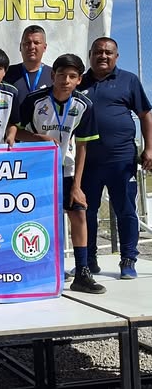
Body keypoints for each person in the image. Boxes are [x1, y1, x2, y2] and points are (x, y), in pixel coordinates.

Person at [16, 54, 106, 294]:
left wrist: (77, 185)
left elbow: (83, 145)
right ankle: (37, 268)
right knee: (37, 218)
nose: (66, 80)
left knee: (79, 213)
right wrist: (38, 138)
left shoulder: (84, 105)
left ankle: (82, 272)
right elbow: (15, 132)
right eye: (62, 75)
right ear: (53, 75)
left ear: (79, 80)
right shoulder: (34, 100)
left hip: (66, 169)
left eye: (72, 76)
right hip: (37, 170)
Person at [79, 37, 152, 279]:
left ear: (116, 56)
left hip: (121, 160)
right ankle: (88, 260)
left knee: (126, 210)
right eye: (98, 52)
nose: (103, 56)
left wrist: (149, 148)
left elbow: (145, 115)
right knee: (86, 212)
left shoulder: (129, 80)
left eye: (108, 52)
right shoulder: (79, 81)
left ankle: (128, 259)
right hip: (87, 163)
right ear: (90, 55)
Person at [4, 25, 52, 105]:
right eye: (27, 43)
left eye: (36, 43)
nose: (31, 47)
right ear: (20, 47)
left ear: (44, 47)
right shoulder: (7, 73)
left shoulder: (53, 75)